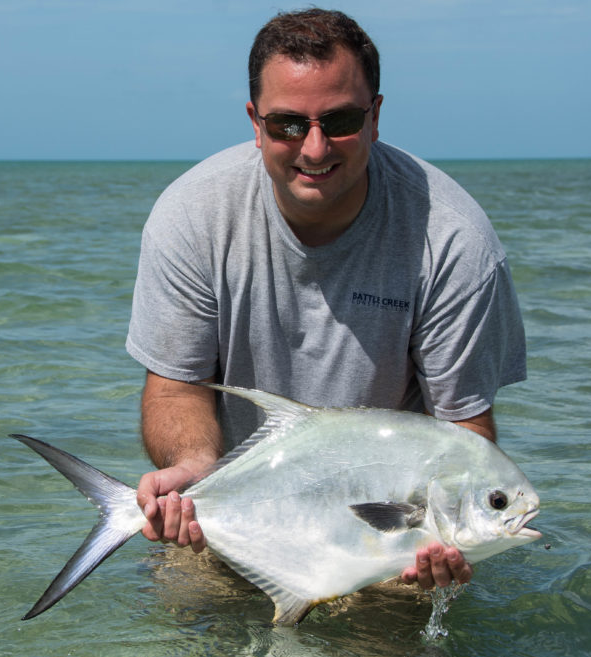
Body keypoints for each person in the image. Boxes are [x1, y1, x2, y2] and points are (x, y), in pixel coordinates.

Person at [125, 8, 526, 591]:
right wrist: (192, 468)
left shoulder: (455, 240)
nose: (313, 148)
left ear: (376, 116)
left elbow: (464, 432)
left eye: (338, 120)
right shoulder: (190, 216)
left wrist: (426, 549)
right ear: (254, 122)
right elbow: (175, 386)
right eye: (287, 124)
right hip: (231, 520)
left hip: (387, 548)